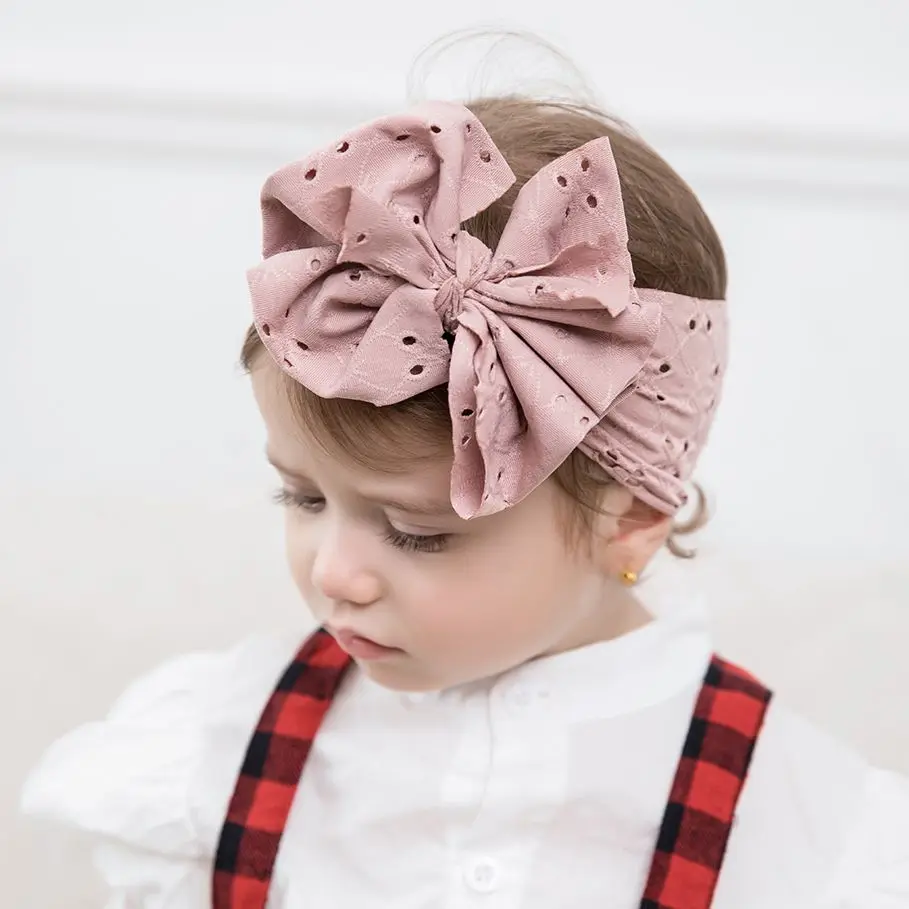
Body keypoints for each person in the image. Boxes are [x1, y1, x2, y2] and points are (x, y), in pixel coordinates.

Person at [20, 94, 909, 908]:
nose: (333, 572)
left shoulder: (804, 830)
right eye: (301, 495)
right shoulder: (216, 752)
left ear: (631, 517)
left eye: (417, 533)